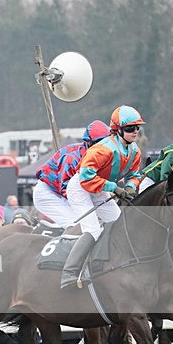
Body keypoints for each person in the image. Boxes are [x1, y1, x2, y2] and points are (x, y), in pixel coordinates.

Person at [61, 105, 144, 288]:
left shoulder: (134, 151)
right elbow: (86, 177)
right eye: (131, 128)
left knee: (120, 223)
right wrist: (114, 188)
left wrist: (130, 187)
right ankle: (69, 273)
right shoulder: (102, 150)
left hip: (99, 188)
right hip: (81, 188)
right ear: (118, 130)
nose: (135, 132)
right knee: (93, 230)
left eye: (138, 128)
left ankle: (110, 262)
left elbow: (134, 174)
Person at [33, 120, 111, 227]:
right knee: (80, 225)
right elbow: (69, 192)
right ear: (89, 143)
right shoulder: (72, 159)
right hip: (50, 194)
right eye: (100, 143)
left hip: (72, 190)